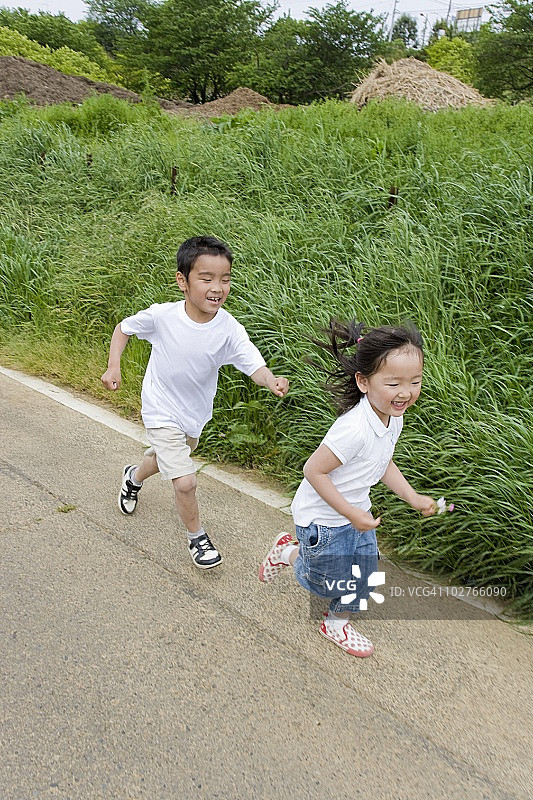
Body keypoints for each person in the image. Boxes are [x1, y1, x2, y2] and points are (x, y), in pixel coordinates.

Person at [102, 235, 289, 569]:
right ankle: (197, 539)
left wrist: (270, 380)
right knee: (185, 481)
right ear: (182, 281)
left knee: (165, 459)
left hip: (194, 415)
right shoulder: (162, 317)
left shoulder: (229, 329)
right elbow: (123, 329)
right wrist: (113, 365)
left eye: (225, 279)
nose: (217, 287)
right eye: (206, 278)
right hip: (160, 409)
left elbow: (252, 364)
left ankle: (133, 477)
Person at [259, 319, 437, 657]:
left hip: (356, 513)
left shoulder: (392, 416)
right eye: (394, 383)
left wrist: (412, 496)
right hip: (323, 520)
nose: (406, 392)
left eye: (415, 381)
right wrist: (349, 511)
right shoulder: (353, 429)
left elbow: (382, 461)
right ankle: (287, 551)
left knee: (366, 575)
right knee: (323, 581)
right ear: (364, 382)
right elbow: (313, 470)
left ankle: (336, 623)